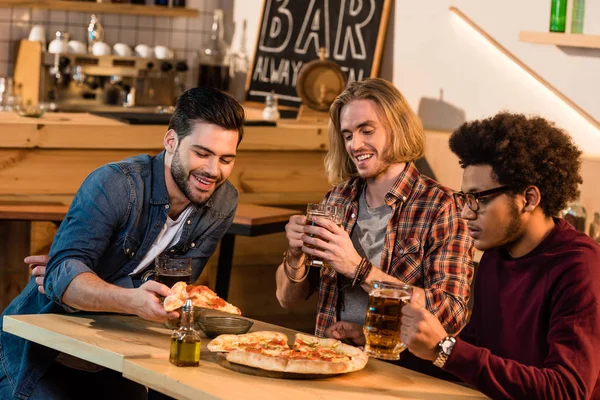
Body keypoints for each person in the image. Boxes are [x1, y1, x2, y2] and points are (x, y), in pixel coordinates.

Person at [0, 87, 245, 399]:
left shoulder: (223, 202)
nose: (214, 170)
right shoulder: (116, 184)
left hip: (115, 354)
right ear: (171, 142)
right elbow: (63, 280)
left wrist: (82, 281)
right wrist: (114, 294)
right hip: (37, 351)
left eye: (226, 159)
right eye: (202, 153)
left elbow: (174, 294)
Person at [400, 112, 600, 399]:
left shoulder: (580, 266)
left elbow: (567, 389)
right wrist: (388, 347)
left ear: (529, 199)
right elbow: (475, 355)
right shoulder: (495, 256)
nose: (466, 213)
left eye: (479, 199)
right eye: (464, 199)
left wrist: (446, 348)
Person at [275, 78, 474, 339]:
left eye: (366, 131)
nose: (354, 145)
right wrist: (294, 254)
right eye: (348, 135)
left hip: (400, 370)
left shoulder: (442, 207)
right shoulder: (336, 200)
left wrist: (359, 269)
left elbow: (450, 314)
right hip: (329, 357)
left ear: (398, 128)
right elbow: (287, 300)